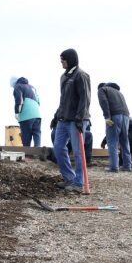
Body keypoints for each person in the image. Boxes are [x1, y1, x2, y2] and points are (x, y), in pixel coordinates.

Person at [50, 48, 91, 192]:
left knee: (78, 152)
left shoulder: (81, 75)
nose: (61, 62)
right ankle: (69, 178)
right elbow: (63, 100)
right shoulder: (64, 76)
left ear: (71, 60)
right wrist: (56, 116)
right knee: (58, 147)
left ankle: (79, 183)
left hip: (76, 120)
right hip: (63, 118)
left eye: (63, 60)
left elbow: (85, 99)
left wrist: (80, 118)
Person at [97, 82, 131, 172]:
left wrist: (107, 117)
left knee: (112, 141)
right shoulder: (119, 93)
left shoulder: (102, 89)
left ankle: (114, 167)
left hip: (115, 116)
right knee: (125, 142)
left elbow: (103, 102)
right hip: (126, 117)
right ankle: (127, 166)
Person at [11, 76, 42, 147]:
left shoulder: (17, 86)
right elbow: (38, 101)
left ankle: (27, 153)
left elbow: (19, 100)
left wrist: (17, 113)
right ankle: (38, 152)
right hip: (37, 114)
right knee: (37, 133)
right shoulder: (32, 87)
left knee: (26, 136)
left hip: (26, 115)